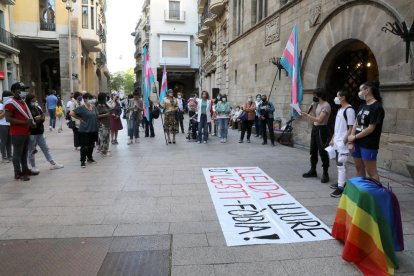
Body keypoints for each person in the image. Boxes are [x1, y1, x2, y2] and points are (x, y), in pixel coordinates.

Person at [348, 81, 384, 182]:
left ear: (367, 90)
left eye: (361, 90)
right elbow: (356, 123)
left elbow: (370, 128)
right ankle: (361, 192)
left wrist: (354, 137)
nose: (359, 92)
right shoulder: (362, 106)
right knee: (359, 168)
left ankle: (375, 194)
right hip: (357, 143)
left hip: (369, 144)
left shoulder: (377, 107)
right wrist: (351, 139)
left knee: (371, 172)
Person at [5, 82, 38, 181]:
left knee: (24, 153)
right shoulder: (11, 103)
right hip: (17, 133)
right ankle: (17, 173)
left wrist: (30, 122)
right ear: (15, 91)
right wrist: (24, 122)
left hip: (25, 131)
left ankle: (25, 170)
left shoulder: (22, 101)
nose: (24, 91)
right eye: (21, 89)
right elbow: (8, 119)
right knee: (17, 154)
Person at [25, 94, 64, 172]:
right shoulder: (26, 109)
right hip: (32, 132)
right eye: (33, 100)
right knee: (31, 150)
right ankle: (32, 166)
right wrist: (36, 119)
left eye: (35, 99)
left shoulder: (37, 107)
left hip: (39, 131)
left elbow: (42, 116)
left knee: (45, 148)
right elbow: (29, 120)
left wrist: (40, 118)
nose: (34, 101)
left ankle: (52, 163)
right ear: (29, 100)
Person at [301, 88, 332, 183]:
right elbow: (315, 116)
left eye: (315, 95)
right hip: (315, 129)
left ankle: (325, 173)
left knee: (322, 151)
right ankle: (313, 170)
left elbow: (320, 120)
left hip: (321, 130)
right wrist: (312, 108)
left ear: (319, 95)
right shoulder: (318, 104)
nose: (314, 96)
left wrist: (308, 116)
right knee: (313, 150)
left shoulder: (326, 105)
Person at [329, 90, 355, 197]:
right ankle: (341, 182)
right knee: (338, 163)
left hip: (342, 142)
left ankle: (341, 187)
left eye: (337, 96)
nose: (336, 98)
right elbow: (337, 127)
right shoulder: (340, 109)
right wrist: (333, 138)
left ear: (343, 97)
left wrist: (344, 140)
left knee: (341, 164)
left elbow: (351, 127)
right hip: (337, 141)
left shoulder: (349, 110)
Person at [70, 93, 99, 168]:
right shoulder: (81, 108)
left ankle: (90, 158)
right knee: (84, 146)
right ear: (85, 99)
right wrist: (80, 119)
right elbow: (71, 113)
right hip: (84, 130)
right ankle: (82, 161)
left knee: (91, 145)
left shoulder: (94, 107)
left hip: (93, 129)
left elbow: (97, 116)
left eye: (92, 99)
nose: (92, 100)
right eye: (90, 98)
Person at [96, 92, 111, 157]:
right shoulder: (98, 105)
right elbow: (97, 115)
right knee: (103, 138)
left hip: (107, 123)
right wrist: (106, 114)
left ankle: (106, 150)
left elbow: (109, 109)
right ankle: (103, 151)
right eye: (105, 97)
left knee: (107, 137)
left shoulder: (105, 104)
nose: (106, 98)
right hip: (101, 124)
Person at [0, 91, 13, 163]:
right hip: (2, 125)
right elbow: (0, 117)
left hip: (9, 125)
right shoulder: (1, 105)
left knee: (9, 141)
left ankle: (9, 156)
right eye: (10, 97)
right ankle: (4, 157)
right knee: (3, 141)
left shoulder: (9, 104)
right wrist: (5, 111)